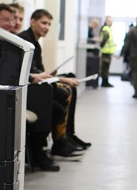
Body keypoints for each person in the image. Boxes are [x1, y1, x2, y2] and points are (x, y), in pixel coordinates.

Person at [17, 9, 90, 169]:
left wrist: (51, 75)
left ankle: (65, 137)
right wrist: (59, 79)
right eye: (44, 23)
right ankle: (46, 148)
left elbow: (36, 70)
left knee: (65, 89)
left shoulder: (34, 42)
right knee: (60, 97)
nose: (47, 27)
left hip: (34, 84)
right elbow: (30, 73)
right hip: (28, 88)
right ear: (33, 22)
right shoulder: (24, 40)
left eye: (49, 24)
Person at [99, 15, 116, 87]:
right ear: (106, 21)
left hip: (108, 52)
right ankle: (104, 82)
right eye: (110, 21)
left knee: (106, 68)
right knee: (105, 68)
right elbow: (105, 38)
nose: (111, 23)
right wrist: (101, 45)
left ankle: (105, 82)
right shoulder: (106, 28)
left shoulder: (108, 28)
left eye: (112, 21)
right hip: (106, 52)